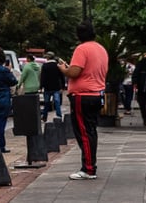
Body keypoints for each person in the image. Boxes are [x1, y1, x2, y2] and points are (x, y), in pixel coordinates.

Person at [58, 19, 108, 180]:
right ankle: (89, 164)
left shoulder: (82, 49)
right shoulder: (101, 49)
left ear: (78, 35)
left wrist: (63, 69)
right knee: (91, 131)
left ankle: (88, 168)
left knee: (84, 133)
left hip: (82, 95)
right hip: (96, 94)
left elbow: (74, 72)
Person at [40, 51, 66, 121]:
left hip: (47, 87)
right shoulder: (57, 65)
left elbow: (42, 77)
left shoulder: (45, 66)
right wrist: (63, 86)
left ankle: (44, 117)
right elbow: (61, 76)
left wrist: (41, 86)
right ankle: (59, 116)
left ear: (48, 58)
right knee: (57, 102)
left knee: (46, 103)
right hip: (56, 87)